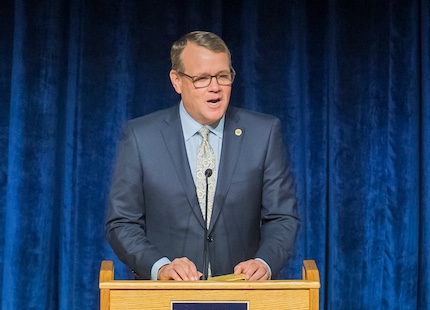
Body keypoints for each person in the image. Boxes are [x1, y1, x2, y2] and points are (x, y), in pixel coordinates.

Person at [105, 31, 299, 281]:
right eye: (202, 78)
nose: (215, 87)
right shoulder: (141, 137)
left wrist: (264, 263)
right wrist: (160, 267)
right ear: (177, 81)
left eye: (222, 76)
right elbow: (122, 223)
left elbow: (282, 217)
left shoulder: (263, 133)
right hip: (164, 300)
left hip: (241, 295)